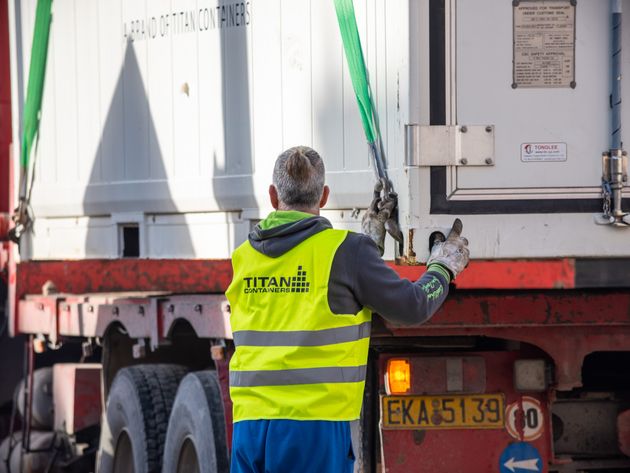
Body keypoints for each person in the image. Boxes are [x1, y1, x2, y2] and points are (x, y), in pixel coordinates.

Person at [226, 146, 469, 473]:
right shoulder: (346, 253)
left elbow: (311, 291)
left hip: (249, 426)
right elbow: (411, 306)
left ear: (272, 196)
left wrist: (369, 244)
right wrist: (444, 266)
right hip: (313, 425)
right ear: (324, 196)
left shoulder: (244, 257)